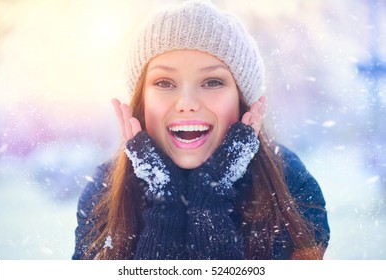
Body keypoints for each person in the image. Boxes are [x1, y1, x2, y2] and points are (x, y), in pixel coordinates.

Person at [72, 0, 330, 260]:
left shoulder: (290, 184)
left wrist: (210, 199)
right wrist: (164, 205)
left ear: (241, 101)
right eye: (164, 82)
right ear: (141, 100)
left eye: (212, 82)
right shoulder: (103, 194)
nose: (187, 104)